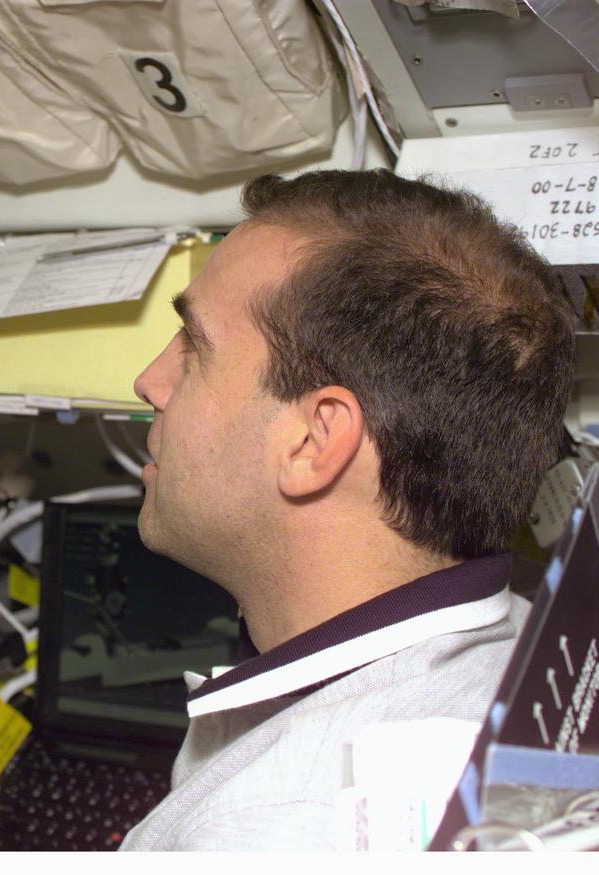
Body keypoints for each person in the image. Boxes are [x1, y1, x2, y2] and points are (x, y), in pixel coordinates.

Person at [122, 169, 576, 851]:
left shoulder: (265, 836)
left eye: (195, 350)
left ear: (314, 440)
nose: (149, 382)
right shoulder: (534, 647)